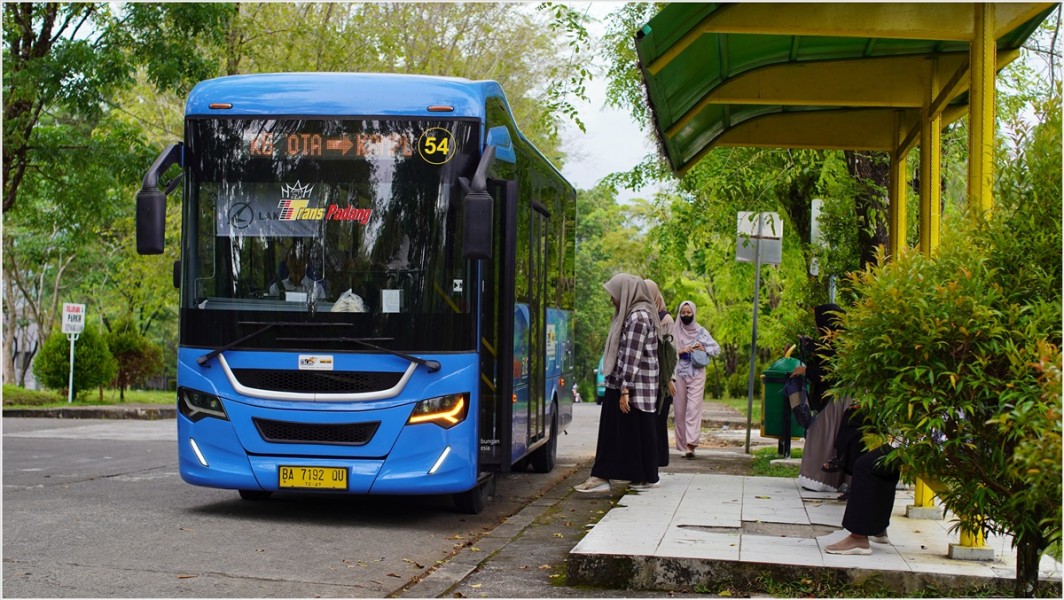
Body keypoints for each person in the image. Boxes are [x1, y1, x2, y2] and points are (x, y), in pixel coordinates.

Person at [574, 274, 661, 492]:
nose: (612, 299)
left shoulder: (638, 317)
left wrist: (625, 390)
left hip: (632, 386)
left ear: (626, 293)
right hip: (627, 384)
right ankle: (636, 476)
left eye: (614, 294)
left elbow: (632, 356)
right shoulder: (634, 314)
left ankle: (604, 476)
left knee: (617, 432)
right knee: (630, 433)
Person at [794, 303, 855, 494]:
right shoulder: (840, 340)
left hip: (836, 398)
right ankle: (828, 479)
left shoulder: (842, 343)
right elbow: (827, 352)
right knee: (829, 436)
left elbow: (831, 369)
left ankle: (820, 479)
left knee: (822, 434)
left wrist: (806, 370)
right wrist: (810, 345)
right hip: (836, 397)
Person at [823, 444, 898, 555]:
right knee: (882, 465)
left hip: (915, 444)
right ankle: (878, 528)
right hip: (906, 442)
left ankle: (858, 538)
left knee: (865, 466)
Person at [671, 300, 720, 459]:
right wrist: (680, 351)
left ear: (693, 312)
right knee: (679, 411)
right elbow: (667, 351)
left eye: (688, 312)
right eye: (683, 313)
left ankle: (691, 445)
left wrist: (703, 348)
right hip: (679, 373)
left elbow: (716, 349)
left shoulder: (701, 331)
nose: (686, 315)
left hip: (697, 373)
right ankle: (682, 444)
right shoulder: (674, 331)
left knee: (693, 409)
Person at [643, 279, 676, 467]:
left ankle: (660, 460)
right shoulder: (645, 316)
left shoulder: (665, 319)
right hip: (650, 380)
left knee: (659, 422)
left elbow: (671, 352)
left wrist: (671, 379)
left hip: (663, 382)